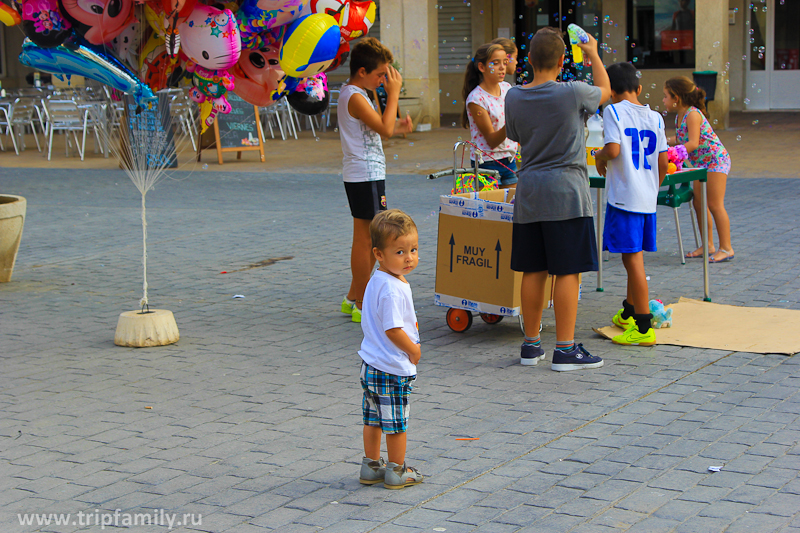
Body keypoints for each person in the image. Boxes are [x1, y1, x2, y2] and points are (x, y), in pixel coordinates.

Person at [504, 27, 611, 371]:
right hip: (567, 191)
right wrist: (592, 53)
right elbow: (606, 91)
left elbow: (515, 136)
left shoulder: (513, 96)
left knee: (534, 269)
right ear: (563, 60)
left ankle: (531, 346)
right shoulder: (574, 92)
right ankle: (565, 349)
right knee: (568, 271)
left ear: (529, 60)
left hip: (530, 191)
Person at [338, 37, 414, 323]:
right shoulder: (356, 96)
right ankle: (360, 302)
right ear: (361, 72)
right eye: (380, 74)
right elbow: (384, 129)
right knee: (366, 239)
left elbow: (381, 125)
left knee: (367, 236)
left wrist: (399, 123)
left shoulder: (358, 92)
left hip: (365, 173)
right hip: (364, 174)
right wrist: (394, 92)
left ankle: (351, 298)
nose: (384, 80)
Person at [594, 62, 669, 346]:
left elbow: (613, 150)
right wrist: (650, 188)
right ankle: (628, 312)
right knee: (634, 256)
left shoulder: (612, 111)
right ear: (638, 89)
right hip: (646, 198)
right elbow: (663, 163)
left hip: (624, 198)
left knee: (632, 259)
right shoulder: (656, 117)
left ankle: (642, 326)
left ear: (610, 91)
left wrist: (599, 156)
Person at [357, 209, 424, 490]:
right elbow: (393, 329)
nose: (409, 257)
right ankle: (397, 470)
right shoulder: (394, 289)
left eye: (413, 249)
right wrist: (413, 351)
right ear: (379, 254)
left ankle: (371, 465)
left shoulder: (378, 278)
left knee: (373, 419)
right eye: (399, 252)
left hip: (370, 364)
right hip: (391, 367)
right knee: (396, 422)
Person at [663, 76, 734, 263]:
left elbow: (692, 143)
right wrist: (661, 140)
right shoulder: (680, 116)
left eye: (665, 96)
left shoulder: (693, 114)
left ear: (676, 97)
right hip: (702, 164)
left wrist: (672, 152)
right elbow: (680, 138)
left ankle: (726, 248)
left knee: (714, 204)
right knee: (699, 203)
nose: (663, 101)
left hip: (715, 161)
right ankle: (708, 245)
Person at [462, 42, 519, 189]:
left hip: (509, 159)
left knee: (512, 207)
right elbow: (492, 140)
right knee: (490, 209)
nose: (502, 68)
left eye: (505, 63)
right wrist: (514, 121)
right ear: (482, 67)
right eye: (495, 63)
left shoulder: (507, 88)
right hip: (486, 162)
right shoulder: (476, 99)